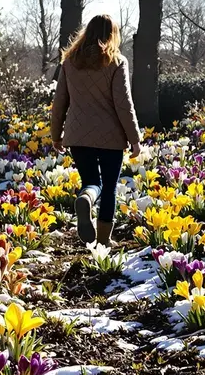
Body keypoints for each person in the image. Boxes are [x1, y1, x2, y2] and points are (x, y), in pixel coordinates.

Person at [50, 14, 142, 246]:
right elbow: (124, 104)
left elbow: (60, 101)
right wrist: (135, 139)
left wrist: (56, 135)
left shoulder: (70, 62)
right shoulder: (117, 62)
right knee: (109, 187)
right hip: (110, 136)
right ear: (112, 35)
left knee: (92, 182)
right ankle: (103, 240)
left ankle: (86, 198)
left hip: (78, 135)